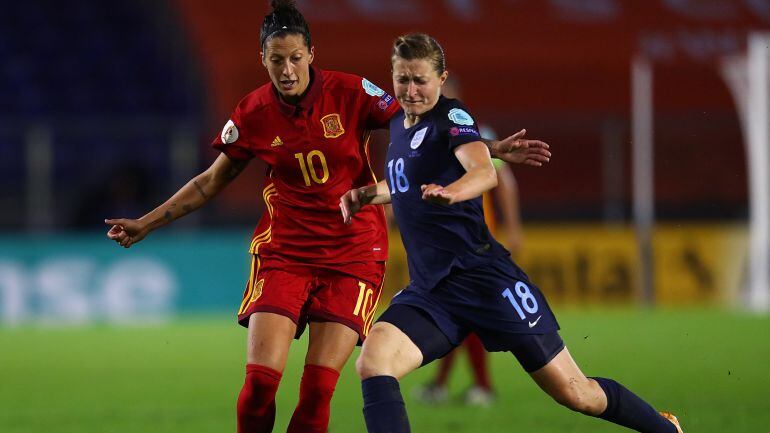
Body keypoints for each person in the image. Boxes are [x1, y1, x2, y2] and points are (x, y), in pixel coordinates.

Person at [104, 2, 551, 433]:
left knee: (317, 391)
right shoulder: (253, 113)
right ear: (262, 59)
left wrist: (486, 148)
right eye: (276, 59)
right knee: (261, 384)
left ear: (311, 55)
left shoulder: (352, 92)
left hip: (353, 254)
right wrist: (147, 222)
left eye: (296, 57)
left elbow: (422, 121)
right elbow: (209, 182)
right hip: (286, 252)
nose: (287, 70)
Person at [339, 33, 684, 433]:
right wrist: (370, 192)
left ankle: (665, 429)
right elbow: (403, 182)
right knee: (374, 361)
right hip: (434, 290)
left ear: (441, 78)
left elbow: (483, 174)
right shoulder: (399, 124)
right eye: (403, 79)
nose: (411, 90)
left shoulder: (453, 117)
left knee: (576, 393)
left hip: (485, 280)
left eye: (421, 80)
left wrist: (452, 193)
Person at [413, 76, 524, 407]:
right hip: (441, 242)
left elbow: (504, 180)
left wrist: (513, 227)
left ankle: (481, 386)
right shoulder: (423, 135)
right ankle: (446, 385)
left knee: (465, 311)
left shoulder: (476, 132)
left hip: (473, 240)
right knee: (454, 311)